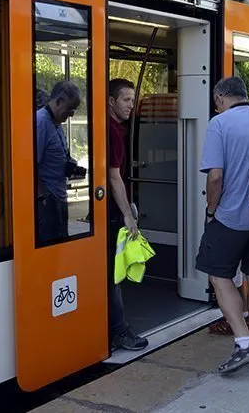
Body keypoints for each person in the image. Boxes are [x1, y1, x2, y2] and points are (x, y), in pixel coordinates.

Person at [195, 76, 249, 373]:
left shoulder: (219, 124)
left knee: (218, 276)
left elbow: (215, 176)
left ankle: (244, 343)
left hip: (231, 217)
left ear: (220, 98)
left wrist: (211, 211)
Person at [107, 78, 148, 351]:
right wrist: (127, 215)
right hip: (111, 212)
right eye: (126, 100)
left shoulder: (114, 128)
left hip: (108, 210)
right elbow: (114, 177)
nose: (131, 105)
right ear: (111, 101)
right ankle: (119, 330)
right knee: (115, 272)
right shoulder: (112, 131)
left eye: (133, 100)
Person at [35, 81, 85, 244]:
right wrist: (43, 196)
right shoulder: (41, 122)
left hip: (58, 195)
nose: (71, 114)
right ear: (58, 101)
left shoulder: (55, 122)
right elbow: (29, 166)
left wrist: (68, 165)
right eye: (70, 109)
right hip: (48, 199)